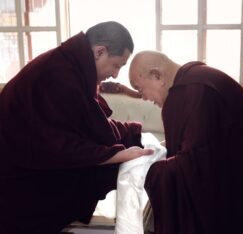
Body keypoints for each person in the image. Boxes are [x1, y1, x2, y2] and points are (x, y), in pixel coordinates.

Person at [0, 21, 153, 234]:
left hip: (39, 155)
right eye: (117, 65)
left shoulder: (72, 66)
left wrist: (133, 134)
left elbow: (88, 124)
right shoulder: (58, 75)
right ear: (100, 52)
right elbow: (59, 145)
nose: (116, 74)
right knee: (97, 172)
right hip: (19, 172)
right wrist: (119, 155)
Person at [128, 51, 243, 234]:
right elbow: (203, 139)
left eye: (140, 89)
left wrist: (147, 169)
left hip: (242, 193)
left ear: (157, 76)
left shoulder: (195, 91)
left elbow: (197, 164)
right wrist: (156, 148)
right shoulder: (199, 78)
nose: (144, 98)